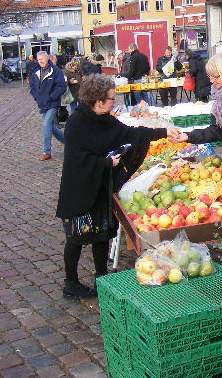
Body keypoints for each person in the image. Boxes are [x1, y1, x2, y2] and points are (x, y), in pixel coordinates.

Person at [56, 74, 180, 297]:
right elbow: (77, 160)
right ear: (98, 100)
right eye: (112, 98)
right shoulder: (76, 123)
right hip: (80, 189)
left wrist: (163, 132)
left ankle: (102, 278)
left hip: (101, 187)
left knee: (102, 234)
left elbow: (132, 133)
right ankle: (71, 283)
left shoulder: (106, 120)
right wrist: (104, 162)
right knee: (76, 237)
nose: (115, 102)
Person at [29, 51, 67, 160]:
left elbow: (61, 86)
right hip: (42, 104)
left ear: (47, 58)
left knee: (46, 125)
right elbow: (32, 86)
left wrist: (51, 97)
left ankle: (46, 151)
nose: (41, 61)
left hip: (53, 103)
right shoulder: (35, 71)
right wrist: (36, 96)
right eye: (39, 59)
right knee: (51, 127)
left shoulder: (55, 71)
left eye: (43, 59)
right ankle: (68, 141)